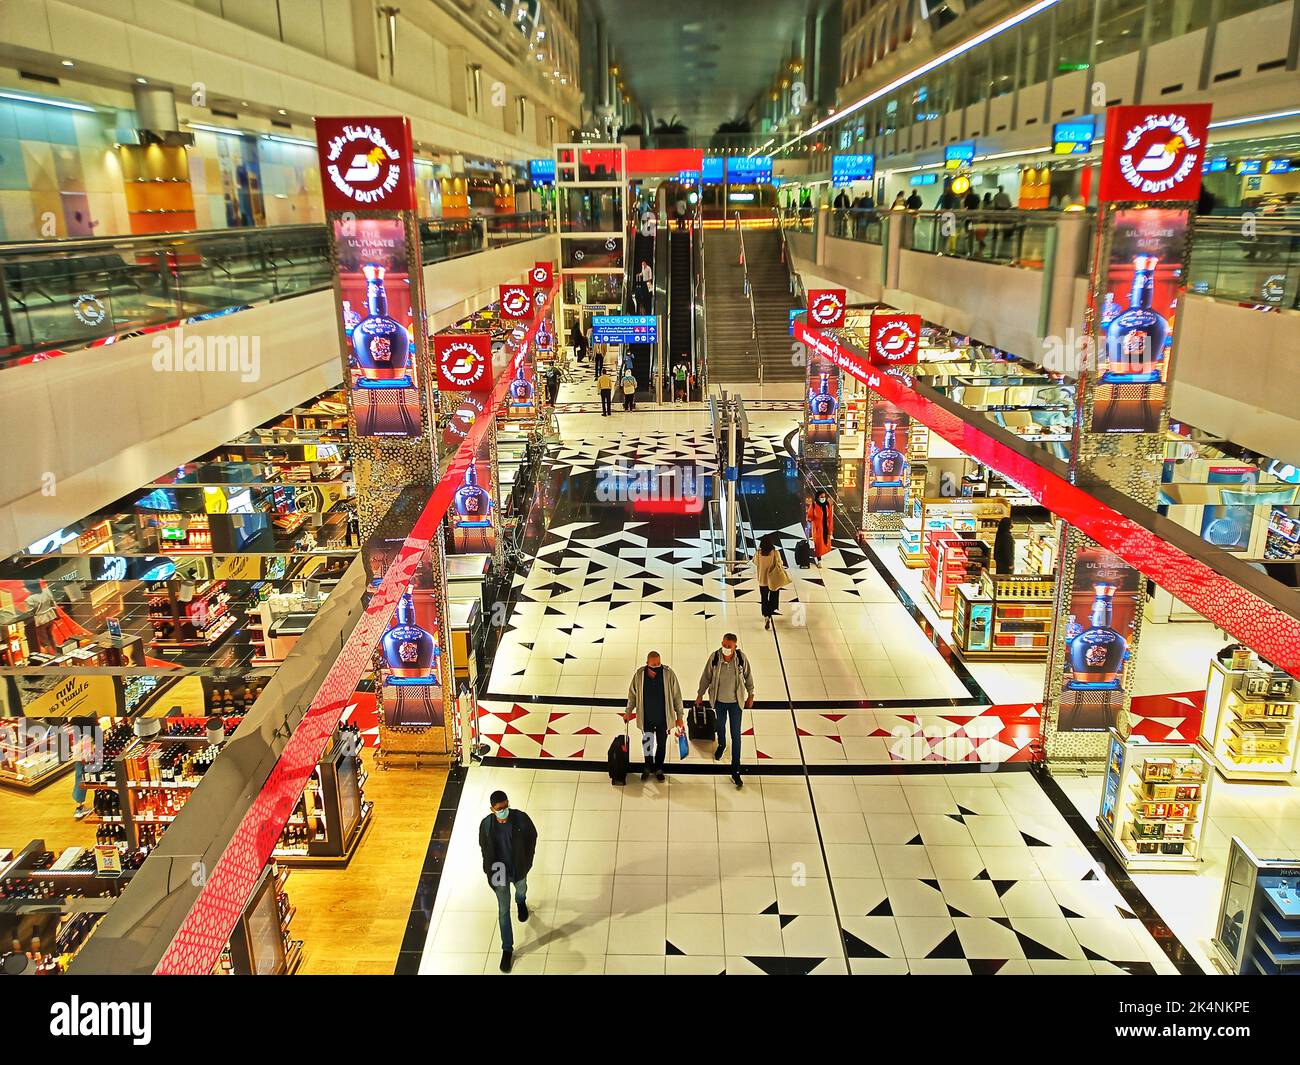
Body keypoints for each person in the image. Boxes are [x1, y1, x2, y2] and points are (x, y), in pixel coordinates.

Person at [478, 790, 538, 973]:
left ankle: (521, 902)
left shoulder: (521, 819)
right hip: (498, 872)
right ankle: (507, 949)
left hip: (518, 867)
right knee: (503, 910)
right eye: (500, 808)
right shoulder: (487, 825)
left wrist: (527, 860)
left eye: (506, 806)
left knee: (521, 888)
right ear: (492, 809)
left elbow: (532, 838)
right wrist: (487, 868)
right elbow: (483, 846)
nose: (504, 810)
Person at [695, 633, 755, 788]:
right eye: (724, 645)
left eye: (729, 646)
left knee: (736, 735)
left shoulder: (741, 659)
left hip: (736, 704)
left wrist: (751, 694)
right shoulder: (715, 658)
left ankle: (736, 771)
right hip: (719, 702)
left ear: (735, 646)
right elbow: (706, 677)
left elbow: (748, 677)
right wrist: (700, 694)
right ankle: (721, 744)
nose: (726, 648)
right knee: (720, 726)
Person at [623, 652, 685, 782]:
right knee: (648, 743)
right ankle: (647, 766)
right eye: (653, 664)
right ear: (647, 663)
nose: (656, 666)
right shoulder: (640, 676)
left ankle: (659, 768)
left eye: (658, 663)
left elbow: (677, 696)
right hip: (647, 719)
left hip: (663, 719)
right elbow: (632, 695)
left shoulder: (668, 674)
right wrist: (628, 711)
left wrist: (679, 716)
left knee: (661, 744)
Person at [755, 533, 791, 630]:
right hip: (773, 579)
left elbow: (755, 562)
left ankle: (766, 615)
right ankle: (770, 611)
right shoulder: (775, 553)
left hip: (762, 579)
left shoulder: (758, 553)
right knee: (774, 596)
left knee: (764, 597)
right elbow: (780, 563)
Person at [805, 488, 834, 566]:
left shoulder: (828, 505)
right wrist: (809, 518)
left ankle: (820, 556)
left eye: (824, 497)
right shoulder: (814, 505)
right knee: (818, 545)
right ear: (818, 497)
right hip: (817, 529)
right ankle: (819, 560)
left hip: (826, 528)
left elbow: (830, 518)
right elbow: (810, 516)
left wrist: (830, 530)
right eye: (821, 497)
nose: (823, 498)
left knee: (824, 544)